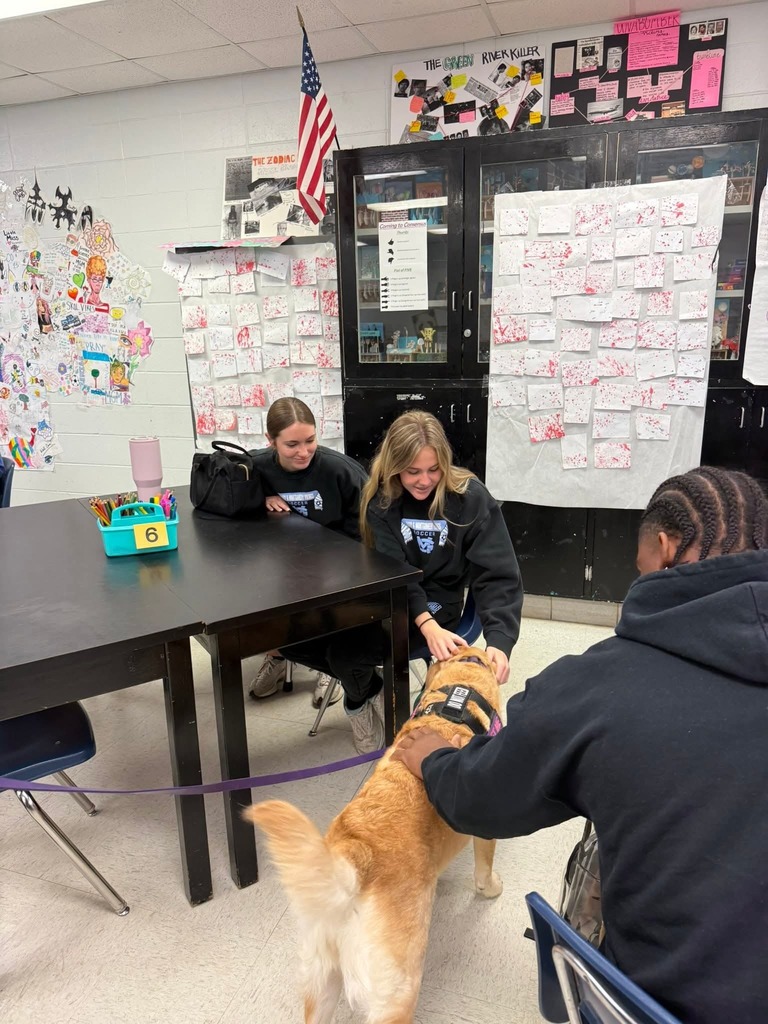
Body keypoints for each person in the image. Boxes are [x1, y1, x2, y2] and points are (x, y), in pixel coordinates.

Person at [393, 466, 768, 1024]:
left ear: (662, 549)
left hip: (664, 1001)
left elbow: (486, 799)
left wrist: (437, 761)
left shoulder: (597, 686)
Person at [281, 410, 523, 754]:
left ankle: (358, 699)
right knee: (292, 638)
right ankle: (369, 688)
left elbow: (498, 574)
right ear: (395, 466)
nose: (424, 480)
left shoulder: (471, 498)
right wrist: (422, 621)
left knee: (345, 654)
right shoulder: (381, 500)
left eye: (433, 469)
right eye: (412, 472)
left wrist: (500, 640)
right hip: (393, 593)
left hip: (440, 604)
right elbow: (395, 570)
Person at [248, 397, 368, 706]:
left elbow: (371, 516)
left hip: (338, 559)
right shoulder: (254, 465)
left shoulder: (338, 469)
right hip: (284, 560)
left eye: (310, 441)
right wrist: (258, 498)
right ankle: (276, 654)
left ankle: (329, 665)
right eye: (291, 445)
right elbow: (223, 493)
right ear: (270, 441)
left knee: (329, 595)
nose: (303, 452)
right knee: (264, 594)